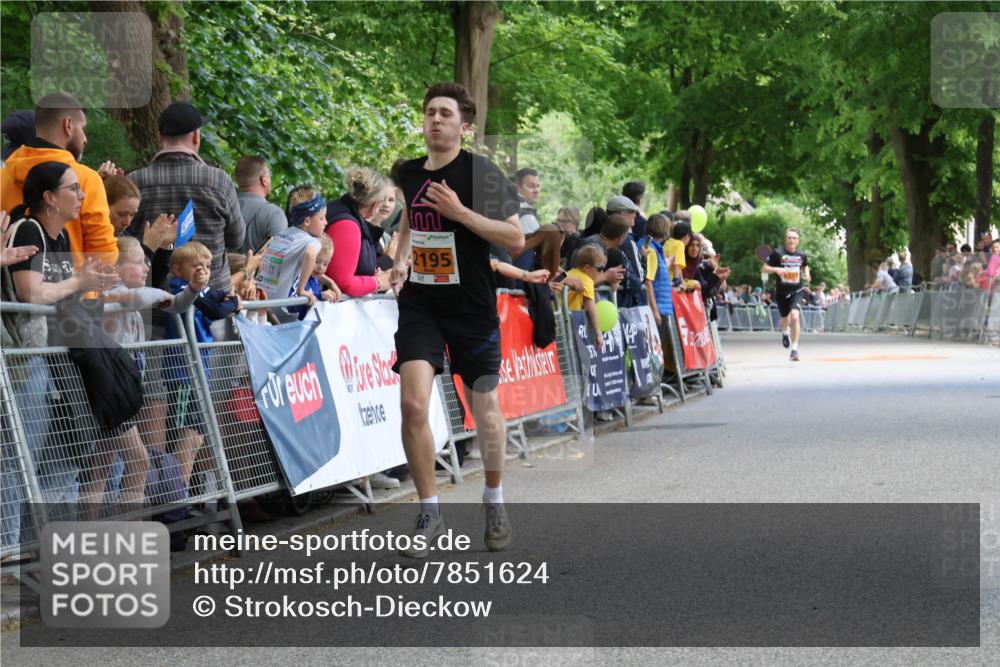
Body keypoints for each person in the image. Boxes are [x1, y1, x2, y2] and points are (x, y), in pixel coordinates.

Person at [389, 82, 523, 557]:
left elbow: (515, 239)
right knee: (413, 406)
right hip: (422, 304)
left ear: (464, 127)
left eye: (446, 113)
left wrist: (462, 213)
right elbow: (410, 215)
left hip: (471, 307)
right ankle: (429, 513)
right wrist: (400, 259)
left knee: (484, 410)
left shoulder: (480, 173)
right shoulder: (408, 172)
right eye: (430, 112)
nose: (436, 119)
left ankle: (494, 499)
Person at [128, 102, 245, 291]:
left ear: (159, 138)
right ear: (196, 136)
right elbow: (236, 239)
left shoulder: (134, 181)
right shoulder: (219, 180)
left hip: (154, 296)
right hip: (211, 298)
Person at [1, 92, 118, 267]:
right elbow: (104, 256)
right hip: (74, 283)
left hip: (11, 282)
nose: (85, 139)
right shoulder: (86, 179)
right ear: (68, 125)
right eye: (83, 129)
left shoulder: (3, 177)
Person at [254, 186, 327, 321]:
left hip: (261, 299)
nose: (326, 222)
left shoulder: (283, 233)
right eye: (322, 218)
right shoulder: (312, 241)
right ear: (307, 221)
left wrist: (330, 282)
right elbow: (310, 255)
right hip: (283, 308)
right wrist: (301, 290)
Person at [324, 166, 391, 297]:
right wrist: (378, 282)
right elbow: (343, 283)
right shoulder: (347, 225)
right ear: (375, 204)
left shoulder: (339, 208)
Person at [762, 228, 810, 362]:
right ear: (786, 239)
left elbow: (805, 265)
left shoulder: (802, 254)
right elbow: (764, 268)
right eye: (789, 238)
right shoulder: (777, 253)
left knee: (795, 316)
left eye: (794, 238)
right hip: (782, 292)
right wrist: (776, 269)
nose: (791, 240)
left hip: (797, 290)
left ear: (798, 241)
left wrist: (807, 274)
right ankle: (785, 332)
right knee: (785, 320)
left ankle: (794, 350)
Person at [235, 156, 286, 254]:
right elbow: (278, 256)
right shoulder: (273, 213)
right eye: (270, 175)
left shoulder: (224, 207)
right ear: (264, 179)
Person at [605, 195, 644, 307]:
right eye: (632, 213)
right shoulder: (628, 240)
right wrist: (644, 259)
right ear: (622, 216)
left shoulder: (599, 237)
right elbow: (639, 277)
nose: (635, 216)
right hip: (622, 303)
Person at [566, 244, 606, 351]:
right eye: (600, 269)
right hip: (568, 322)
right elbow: (590, 307)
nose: (602, 272)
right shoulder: (587, 280)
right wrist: (598, 333)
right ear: (587, 267)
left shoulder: (568, 273)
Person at [640, 213, 675, 328]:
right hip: (657, 307)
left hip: (659, 305)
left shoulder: (652, 247)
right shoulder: (651, 250)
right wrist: (654, 310)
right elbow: (648, 281)